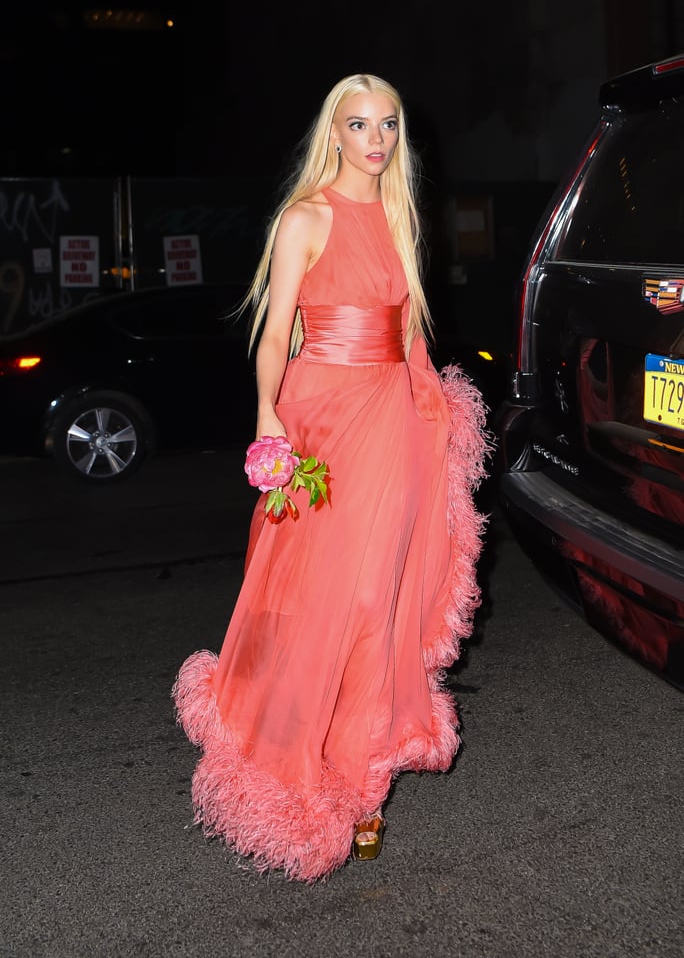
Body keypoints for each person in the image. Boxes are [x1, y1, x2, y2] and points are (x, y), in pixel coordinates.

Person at [172, 73, 490, 882]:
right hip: (320, 422)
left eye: (388, 124)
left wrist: (435, 415)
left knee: (374, 602)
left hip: (391, 421)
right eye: (359, 125)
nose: (376, 140)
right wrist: (267, 416)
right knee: (315, 598)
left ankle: (362, 782)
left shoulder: (397, 215)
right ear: (334, 134)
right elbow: (274, 333)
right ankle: (291, 763)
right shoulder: (305, 218)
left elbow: (410, 326)